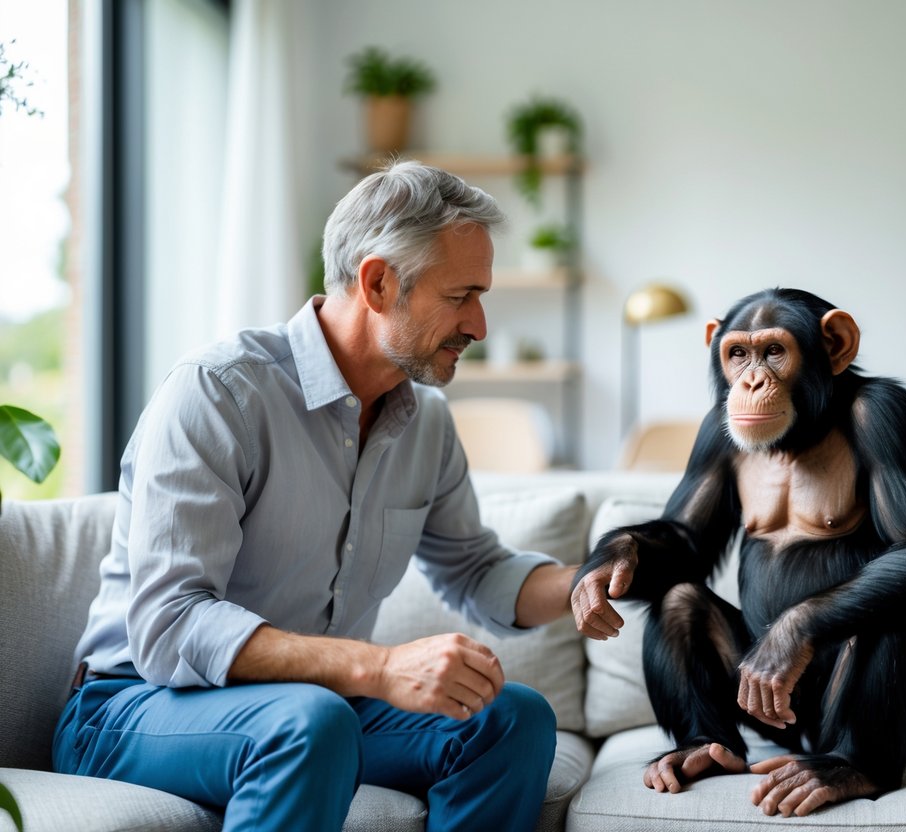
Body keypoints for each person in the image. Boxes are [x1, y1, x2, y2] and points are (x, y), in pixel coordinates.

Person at [52, 161, 578, 832]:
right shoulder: (219, 392)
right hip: (136, 705)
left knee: (510, 717)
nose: (478, 324)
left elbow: (474, 568)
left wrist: (591, 580)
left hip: (312, 703)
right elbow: (171, 624)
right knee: (310, 721)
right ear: (379, 282)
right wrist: (379, 666)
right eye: (461, 295)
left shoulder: (427, 424)